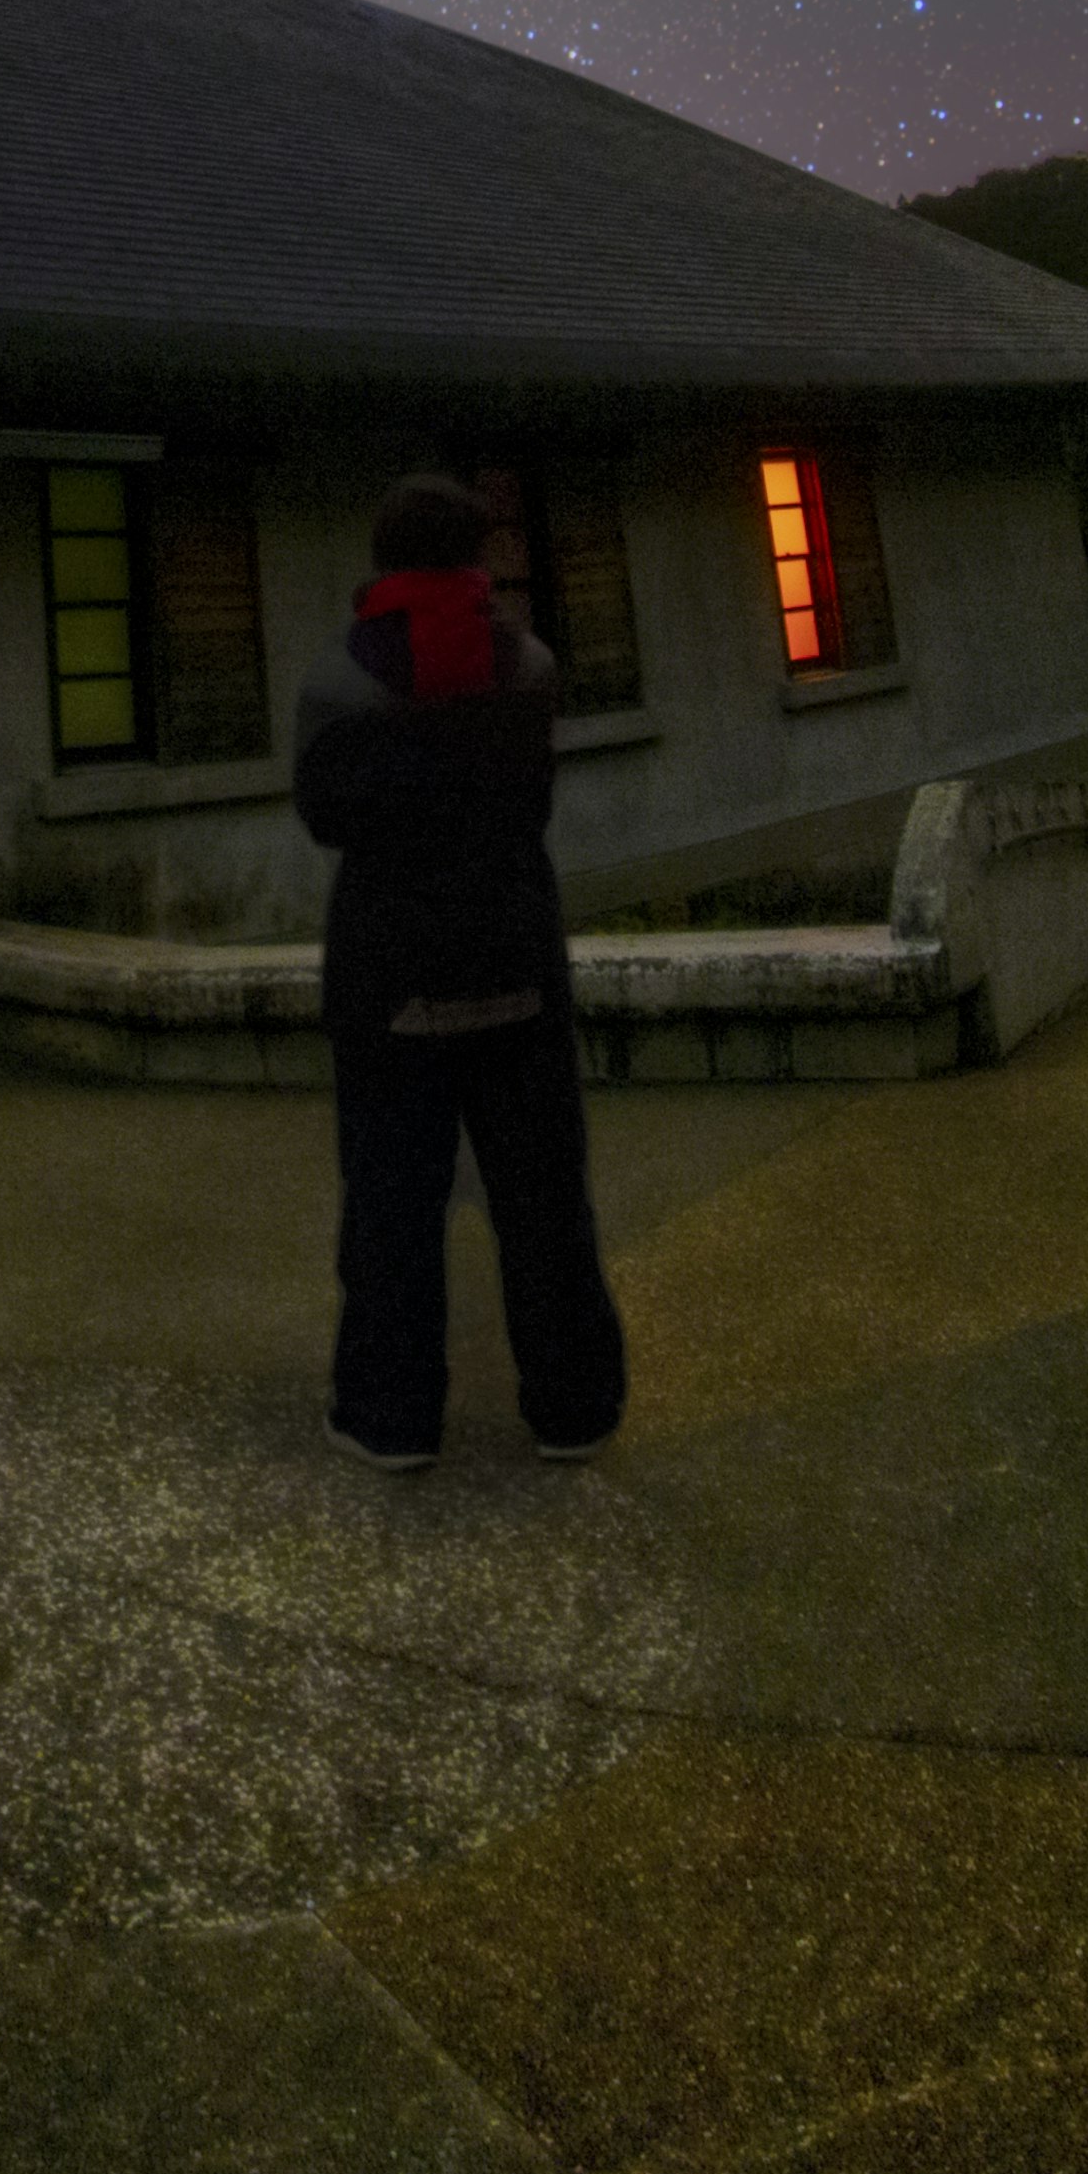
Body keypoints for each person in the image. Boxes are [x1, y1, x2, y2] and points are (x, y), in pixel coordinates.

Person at [292, 468, 627, 1472]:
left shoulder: (335, 679)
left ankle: (389, 1415)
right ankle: (573, 1408)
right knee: (543, 1195)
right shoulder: (529, 666)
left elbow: (323, 819)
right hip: (512, 949)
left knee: (393, 1196)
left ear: (385, 558)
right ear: (476, 556)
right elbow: (531, 803)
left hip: (390, 968)